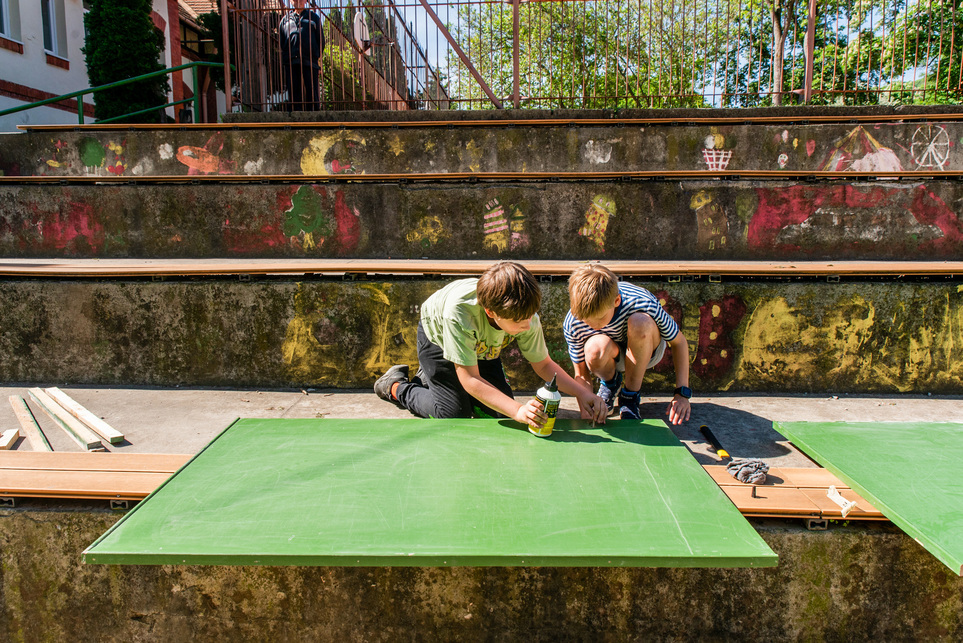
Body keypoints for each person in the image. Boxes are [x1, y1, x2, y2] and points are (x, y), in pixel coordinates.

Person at [375, 261, 608, 429]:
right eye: (518, 322)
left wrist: (584, 393)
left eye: (530, 317)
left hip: (481, 349)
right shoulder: (459, 313)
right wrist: (518, 410)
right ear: (490, 312)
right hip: (438, 338)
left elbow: (544, 364)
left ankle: (436, 381)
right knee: (454, 415)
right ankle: (396, 386)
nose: (527, 326)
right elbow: (470, 379)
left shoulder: (525, 315)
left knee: (497, 413)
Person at [563, 263, 691, 425]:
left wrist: (682, 394)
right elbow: (581, 374)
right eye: (586, 321)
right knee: (594, 347)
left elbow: (679, 342)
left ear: (616, 301)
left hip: (647, 348)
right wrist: (586, 412)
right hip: (611, 354)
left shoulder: (642, 303)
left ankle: (630, 396)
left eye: (600, 318)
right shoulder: (573, 321)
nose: (592, 326)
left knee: (640, 322)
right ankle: (610, 383)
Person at [279, 0, 323, 111]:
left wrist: (316, 57)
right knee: (294, 89)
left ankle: (314, 114)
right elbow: (282, 41)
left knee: (311, 89)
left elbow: (320, 40)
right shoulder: (285, 20)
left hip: (310, 59)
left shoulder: (314, 18)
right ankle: (295, 114)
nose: (298, 1)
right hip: (291, 60)